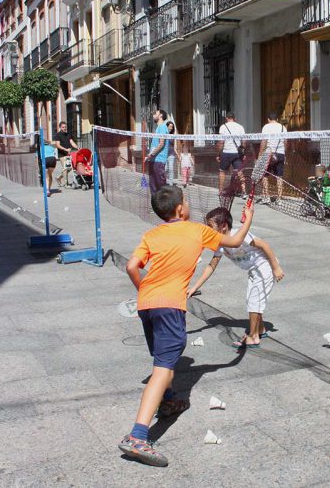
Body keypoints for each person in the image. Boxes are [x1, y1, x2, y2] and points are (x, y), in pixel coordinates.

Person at [118, 186, 254, 467]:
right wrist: (248, 218)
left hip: (147, 303)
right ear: (180, 209)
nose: (189, 204)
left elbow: (132, 266)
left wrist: (144, 290)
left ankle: (167, 402)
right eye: (187, 201)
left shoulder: (151, 234)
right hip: (170, 305)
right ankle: (138, 436)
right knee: (162, 369)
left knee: (163, 359)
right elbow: (236, 239)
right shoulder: (196, 230)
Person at [188, 207, 284, 349]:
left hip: (264, 266)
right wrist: (195, 287)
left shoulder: (240, 235)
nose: (208, 229)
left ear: (224, 226)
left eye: (210, 226)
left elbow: (264, 245)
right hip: (253, 270)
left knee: (254, 300)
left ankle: (253, 337)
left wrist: (276, 268)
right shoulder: (220, 243)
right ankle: (260, 329)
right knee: (253, 299)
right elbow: (211, 266)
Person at [258, 112, 288, 203]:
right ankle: (279, 198)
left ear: (268, 119)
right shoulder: (283, 128)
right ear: (277, 119)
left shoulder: (266, 127)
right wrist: (284, 153)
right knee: (279, 176)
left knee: (265, 175)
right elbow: (285, 142)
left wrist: (260, 154)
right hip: (280, 153)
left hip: (268, 154)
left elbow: (264, 141)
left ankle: (266, 197)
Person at [217, 112, 247, 196]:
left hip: (226, 152)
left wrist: (219, 154)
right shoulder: (240, 127)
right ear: (235, 118)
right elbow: (244, 142)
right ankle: (244, 191)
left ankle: (220, 191)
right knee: (240, 172)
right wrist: (243, 153)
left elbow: (221, 142)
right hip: (237, 153)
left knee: (222, 171)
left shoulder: (223, 127)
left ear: (226, 118)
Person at [147, 110, 170, 194]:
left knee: (161, 185)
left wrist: (151, 154)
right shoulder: (158, 128)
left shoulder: (163, 127)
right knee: (153, 185)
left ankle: (166, 204)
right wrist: (150, 156)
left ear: (160, 116)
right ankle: (155, 204)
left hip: (159, 160)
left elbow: (161, 144)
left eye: (155, 114)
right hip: (153, 160)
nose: (153, 115)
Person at [52, 121, 78, 186]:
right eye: (63, 127)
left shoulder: (68, 134)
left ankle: (59, 178)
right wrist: (66, 149)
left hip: (68, 153)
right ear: (60, 127)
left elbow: (72, 142)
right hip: (62, 154)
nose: (64, 128)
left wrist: (77, 147)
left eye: (65, 127)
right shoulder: (57, 135)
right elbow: (58, 145)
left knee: (69, 168)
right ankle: (66, 184)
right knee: (66, 167)